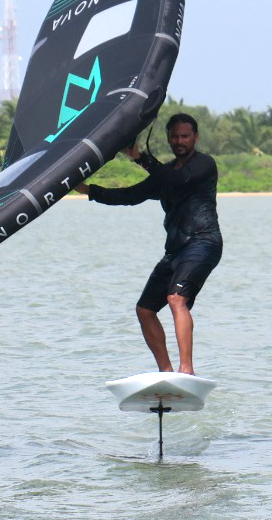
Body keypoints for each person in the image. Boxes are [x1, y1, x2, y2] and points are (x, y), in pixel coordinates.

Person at [76, 113, 222, 375]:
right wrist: (88, 190)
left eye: (185, 136)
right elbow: (131, 195)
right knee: (144, 309)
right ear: (168, 138)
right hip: (176, 250)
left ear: (195, 138)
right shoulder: (165, 173)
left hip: (203, 242)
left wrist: (140, 157)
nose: (179, 141)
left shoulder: (204, 166)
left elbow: (178, 180)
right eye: (174, 136)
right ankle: (167, 374)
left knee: (177, 298)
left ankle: (186, 371)